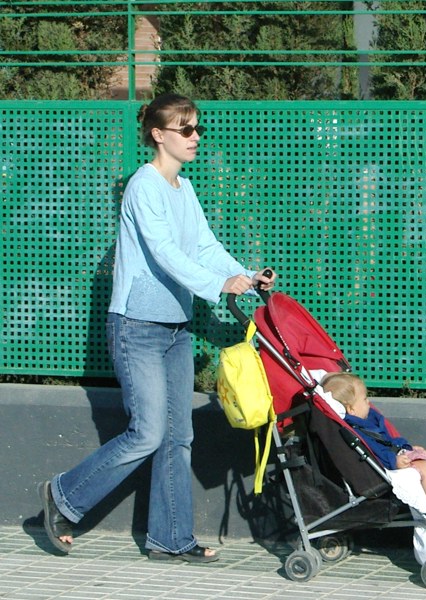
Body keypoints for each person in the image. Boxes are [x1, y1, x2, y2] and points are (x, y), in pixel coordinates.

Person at [38, 93, 277, 563]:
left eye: (197, 128)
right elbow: (166, 252)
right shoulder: (143, 187)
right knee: (147, 432)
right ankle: (63, 496)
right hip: (137, 327)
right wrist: (216, 284)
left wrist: (245, 278)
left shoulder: (182, 190)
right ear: (158, 134)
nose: (195, 137)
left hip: (176, 330)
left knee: (178, 437)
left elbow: (204, 246)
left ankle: (170, 538)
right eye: (185, 129)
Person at [321, 372, 426, 535]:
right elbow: (374, 452)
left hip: (398, 453)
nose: (368, 402)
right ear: (351, 409)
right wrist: (394, 461)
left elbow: (389, 438)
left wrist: (407, 448)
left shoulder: (370, 419)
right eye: (364, 399)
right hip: (388, 465)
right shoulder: (354, 429)